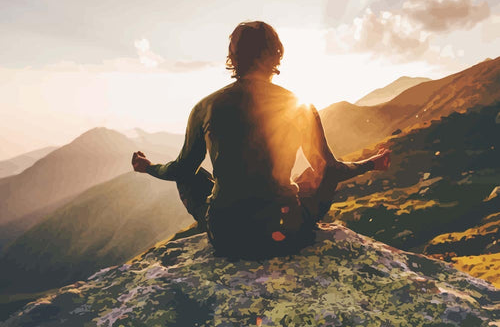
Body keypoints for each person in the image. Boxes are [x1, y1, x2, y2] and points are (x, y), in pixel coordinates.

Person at [132, 21, 390, 260]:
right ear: (277, 54)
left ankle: (228, 217)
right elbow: (331, 170)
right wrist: (372, 163)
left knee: (192, 175)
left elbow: (181, 170)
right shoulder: (299, 105)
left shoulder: (205, 106)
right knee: (318, 172)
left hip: (228, 238)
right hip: (286, 234)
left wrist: (149, 167)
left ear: (232, 58)